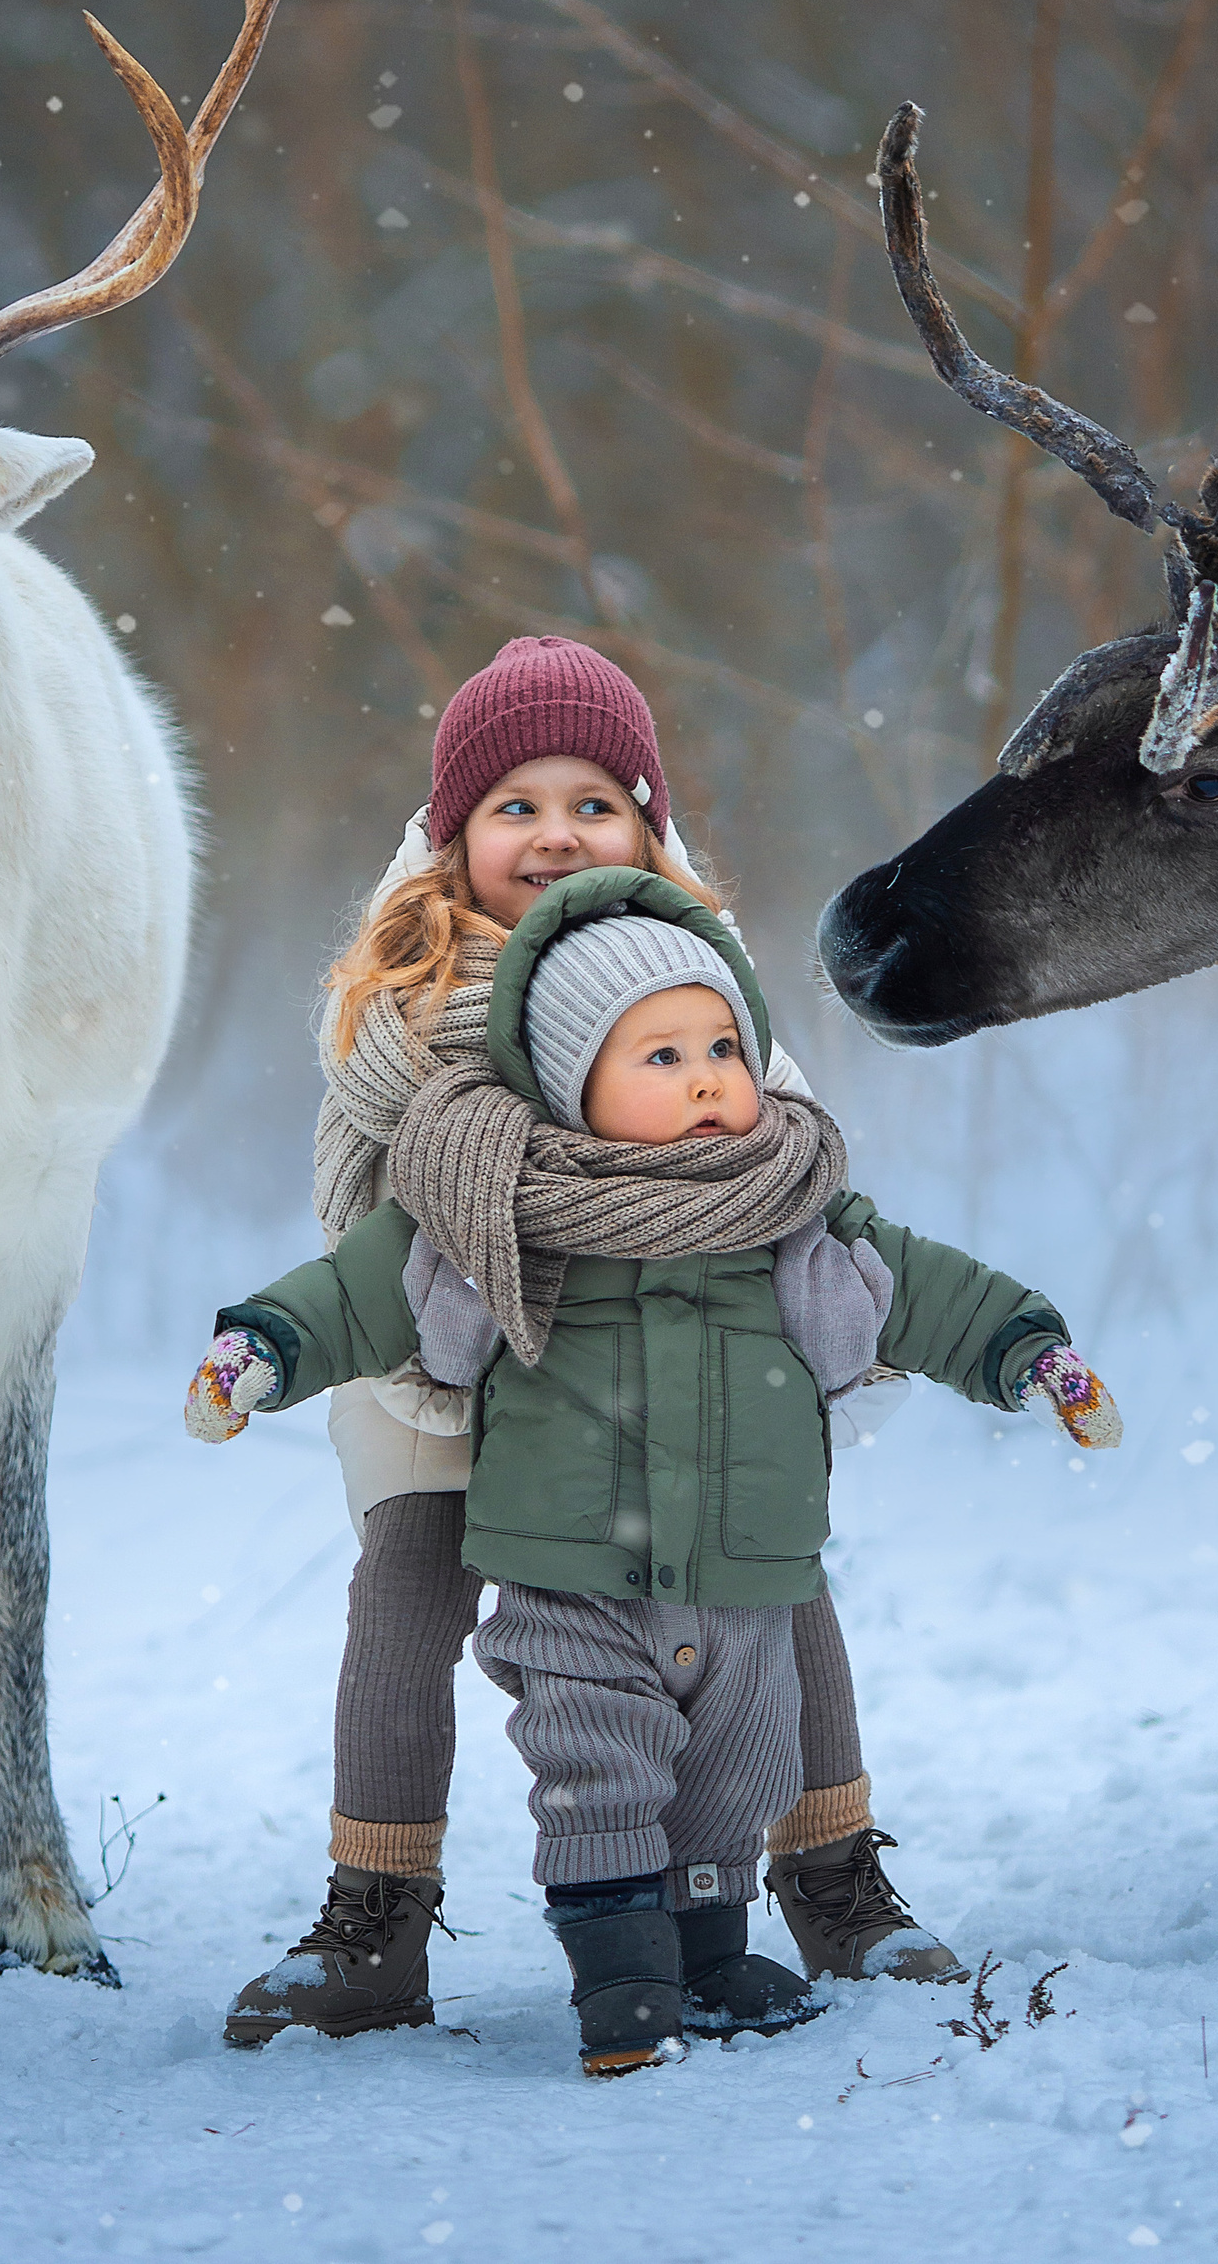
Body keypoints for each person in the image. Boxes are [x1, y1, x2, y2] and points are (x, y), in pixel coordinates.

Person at [191, 864, 1121, 2075]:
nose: (705, 1078)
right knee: (598, 1776)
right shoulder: (504, 1217)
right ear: (574, 1085)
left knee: (737, 1774)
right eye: (661, 1055)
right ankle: (623, 1982)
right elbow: (368, 1291)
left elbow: (924, 1291)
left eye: (722, 1045)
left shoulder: (793, 1212)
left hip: (742, 1575)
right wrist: (258, 1346)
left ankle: (707, 1953)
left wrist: (1028, 1352)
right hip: (573, 1575)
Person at [204, 639, 956, 2047]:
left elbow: (780, 1145)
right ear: (450, 836)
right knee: (408, 1588)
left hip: (660, 1363)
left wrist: (835, 1308)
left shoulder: (697, 980)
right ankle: (376, 1916)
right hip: (438, 1349)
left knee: (764, 1578)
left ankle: (832, 1874)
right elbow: (372, 1206)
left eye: (596, 800)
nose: (557, 830)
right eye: (515, 803)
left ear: (650, 825)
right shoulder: (402, 999)